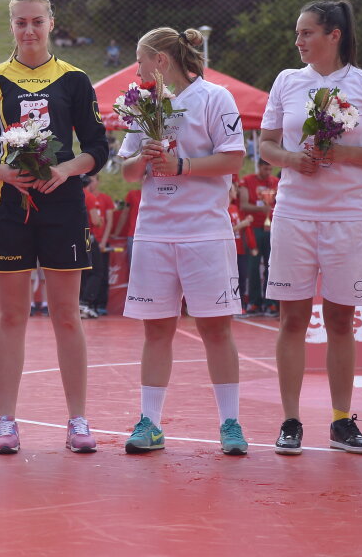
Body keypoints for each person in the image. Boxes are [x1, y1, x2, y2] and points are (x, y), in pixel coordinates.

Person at [0, 0, 109, 454]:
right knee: (13, 315)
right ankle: (6, 421)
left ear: (51, 23)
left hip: (62, 203)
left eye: (37, 22)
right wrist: (5, 172)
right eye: (21, 22)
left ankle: (78, 420)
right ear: (11, 26)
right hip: (10, 204)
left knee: (66, 315)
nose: (29, 30)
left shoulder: (75, 79)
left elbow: (97, 148)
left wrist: (64, 169)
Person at [260, 0, 362, 456]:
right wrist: (293, 159)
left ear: (333, 34)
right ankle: (291, 421)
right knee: (292, 319)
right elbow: (265, 144)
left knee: (342, 320)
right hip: (294, 214)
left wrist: (339, 154)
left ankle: (342, 421)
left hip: (348, 215)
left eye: (306, 33)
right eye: (297, 33)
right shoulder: (286, 81)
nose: (298, 41)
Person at [118, 27, 250, 456]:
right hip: (155, 231)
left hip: (204, 232)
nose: (136, 70)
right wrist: (146, 156)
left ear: (160, 60)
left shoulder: (214, 98)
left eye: (140, 60)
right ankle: (150, 423)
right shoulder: (143, 104)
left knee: (216, 329)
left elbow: (234, 157)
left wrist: (181, 165)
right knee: (156, 331)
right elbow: (127, 172)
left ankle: (230, 423)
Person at [238, 159, 278, 315]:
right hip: (253, 229)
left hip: (271, 228)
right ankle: (254, 302)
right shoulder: (247, 180)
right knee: (253, 266)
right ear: (259, 167)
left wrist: (271, 209)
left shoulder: (276, 182)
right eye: (265, 169)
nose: (268, 172)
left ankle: (271, 302)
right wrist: (262, 208)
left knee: (271, 266)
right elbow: (243, 204)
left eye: (270, 169)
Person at [78, 174, 113, 318]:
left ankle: (82, 302)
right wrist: (99, 221)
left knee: (82, 271)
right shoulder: (90, 197)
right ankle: (85, 303)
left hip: (74, 237)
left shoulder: (75, 196)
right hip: (87, 236)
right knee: (97, 270)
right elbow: (96, 221)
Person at [229, 179, 257, 315]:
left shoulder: (235, 208)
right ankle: (231, 305)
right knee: (231, 279)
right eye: (234, 189)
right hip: (229, 251)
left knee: (242, 277)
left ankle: (241, 304)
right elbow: (229, 229)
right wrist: (243, 223)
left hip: (240, 249)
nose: (237, 192)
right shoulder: (224, 210)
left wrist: (252, 246)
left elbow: (245, 229)